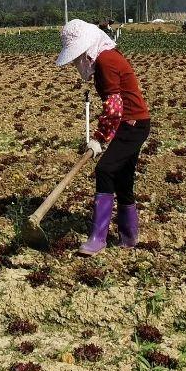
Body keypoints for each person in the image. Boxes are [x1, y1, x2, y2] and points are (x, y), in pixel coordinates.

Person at [55, 18, 151, 255]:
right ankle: (129, 236)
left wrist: (99, 138)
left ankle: (98, 238)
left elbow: (114, 107)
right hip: (133, 123)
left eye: (78, 56)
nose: (78, 62)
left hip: (131, 124)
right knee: (123, 176)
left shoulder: (107, 61)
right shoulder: (106, 58)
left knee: (105, 170)